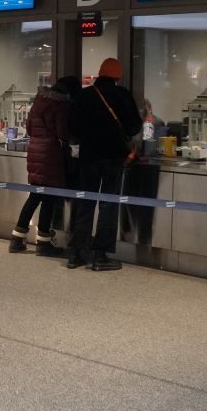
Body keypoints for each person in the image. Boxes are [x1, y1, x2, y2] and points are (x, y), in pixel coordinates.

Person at [66, 58, 141, 271]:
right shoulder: (122, 95)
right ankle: (100, 255)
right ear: (118, 75)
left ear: (100, 73)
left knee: (85, 202)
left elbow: (72, 127)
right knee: (108, 204)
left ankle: (76, 253)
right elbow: (134, 127)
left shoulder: (84, 95)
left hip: (88, 156)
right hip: (114, 156)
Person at [9, 76, 78, 255]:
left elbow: (29, 128)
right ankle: (43, 243)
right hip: (50, 153)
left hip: (34, 150)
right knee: (49, 199)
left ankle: (17, 239)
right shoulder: (61, 105)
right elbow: (63, 132)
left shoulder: (39, 102)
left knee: (35, 195)